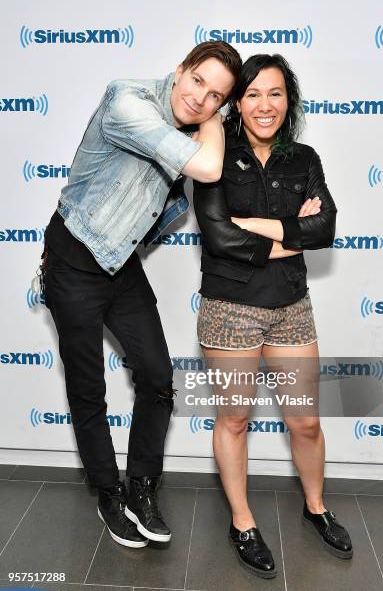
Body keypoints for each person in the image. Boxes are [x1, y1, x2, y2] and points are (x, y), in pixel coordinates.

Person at [41, 41, 242, 549]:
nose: (201, 99)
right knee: (88, 389)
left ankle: (141, 488)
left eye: (216, 95)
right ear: (179, 70)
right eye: (199, 81)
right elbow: (207, 168)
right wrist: (216, 121)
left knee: (156, 378)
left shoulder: (190, 120)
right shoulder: (126, 100)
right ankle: (108, 493)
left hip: (120, 262)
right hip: (74, 259)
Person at [193, 53, 352, 578]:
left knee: (305, 420)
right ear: (238, 102)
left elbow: (325, 229)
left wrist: (255, 225)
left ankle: (316, 509)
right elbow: (219, 237)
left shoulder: (303, 158)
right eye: (254, 94)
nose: (265, 105)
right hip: (229, 308)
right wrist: (290, 230)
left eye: (276, 93)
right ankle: (242, 521)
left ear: (290, 99)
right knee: (235, 420)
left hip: (290, 307)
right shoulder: (215, 152)